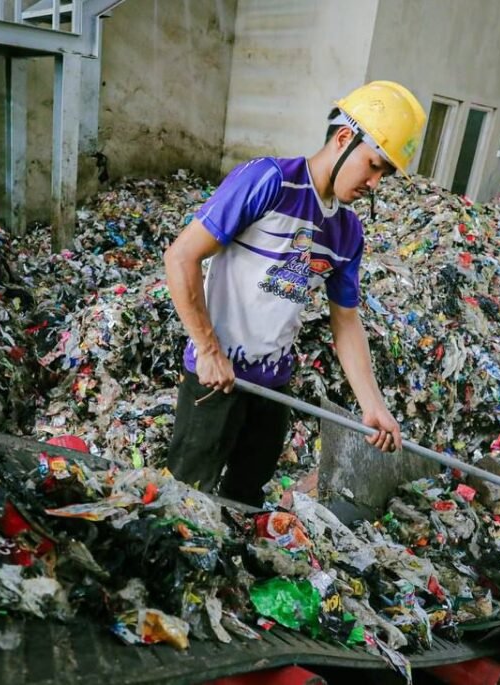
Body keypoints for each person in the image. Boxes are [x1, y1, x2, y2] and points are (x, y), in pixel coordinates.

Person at [162, 81, 427, 506]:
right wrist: (207, 349)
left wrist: (373, 404)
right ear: (344, 138)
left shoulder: (347, 232)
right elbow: (180, 258)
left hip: (273, 389)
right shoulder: (269, 181)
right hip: (216, 381)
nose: (375, 183)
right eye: (374, 166)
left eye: (385, 175)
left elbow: (346, 321)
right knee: (185, 499)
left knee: (245, 500)